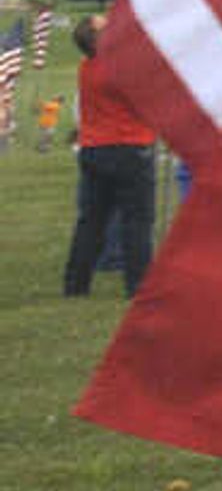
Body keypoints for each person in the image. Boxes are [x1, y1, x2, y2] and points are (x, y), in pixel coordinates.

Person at [63, 17, 156, 300]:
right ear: (98, 40)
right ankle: (138, 285)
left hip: (94, 150)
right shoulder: (119, 69)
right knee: (137, 220)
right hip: (128, 148)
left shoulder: (87, 68)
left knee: (91, 221)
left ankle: (76, 284)